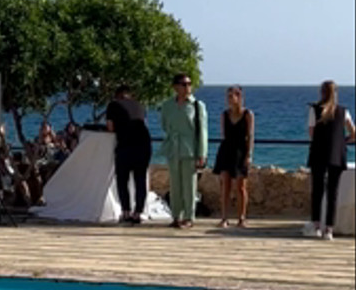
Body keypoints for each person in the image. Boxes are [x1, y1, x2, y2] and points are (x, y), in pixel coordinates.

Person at [304, 80, 356, 241]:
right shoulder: (343, 111)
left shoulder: (314, 110)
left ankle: (316, 225)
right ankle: (329, 229)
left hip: (319, 153)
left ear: (322, 92)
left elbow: (312, 133)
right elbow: (354, 133)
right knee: (333, 192)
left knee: (317, 190)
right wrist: (343, 141)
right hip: (337, 154)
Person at [160, 73, 208, 229]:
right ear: (175, 87)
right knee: (175, 185)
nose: (187, 87)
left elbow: (202, 131)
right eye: (183, 84)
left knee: (189, 185)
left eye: (189, 84)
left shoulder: (196, 105)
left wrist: (202, 153)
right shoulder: (167, 105)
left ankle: (189, 217)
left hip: (190, 149)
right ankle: (176, 216)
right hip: (174, 148)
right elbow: (165, 124)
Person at [106, 85, 152, 224]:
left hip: (125, 145)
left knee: (122, 180)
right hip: (143, 145)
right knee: (140, 180)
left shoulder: (113, 105)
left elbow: (110, 127)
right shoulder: (140, 105)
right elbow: (144, 123)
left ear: (117, 95)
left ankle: (126, 212)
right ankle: (138, 212)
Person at [212, 85, 255, 228]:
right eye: (228, 96)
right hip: (226, 150)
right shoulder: (224, 115)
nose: (230, 99)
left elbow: (250, 136)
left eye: (232, 96)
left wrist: (248, 155)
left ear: (239, 97)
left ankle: (241, 217)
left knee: (241, 187)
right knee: (225, 185)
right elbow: (223, 134)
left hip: (241, 151)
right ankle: (224, 217)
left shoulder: (247, 114)